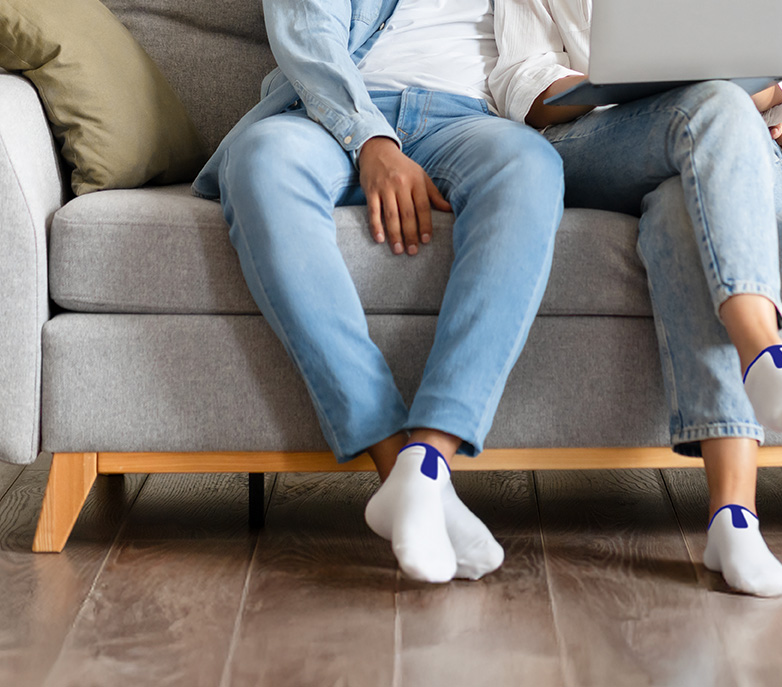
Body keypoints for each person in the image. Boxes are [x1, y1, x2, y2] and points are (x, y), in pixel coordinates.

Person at [191, 0, 566, 584]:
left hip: (474, 119)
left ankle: (428, 460)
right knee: (262, 162)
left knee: (531, 167)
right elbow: (308, 34)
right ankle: (404, 474)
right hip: (328, 114)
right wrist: (372, 141)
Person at [490, 1, 782, 596]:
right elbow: (522, 84)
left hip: (716, 143)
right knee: (714, 106)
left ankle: (733, 519)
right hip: (601, 143)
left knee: (688, 205)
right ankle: (763, 352)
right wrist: (643, 94)